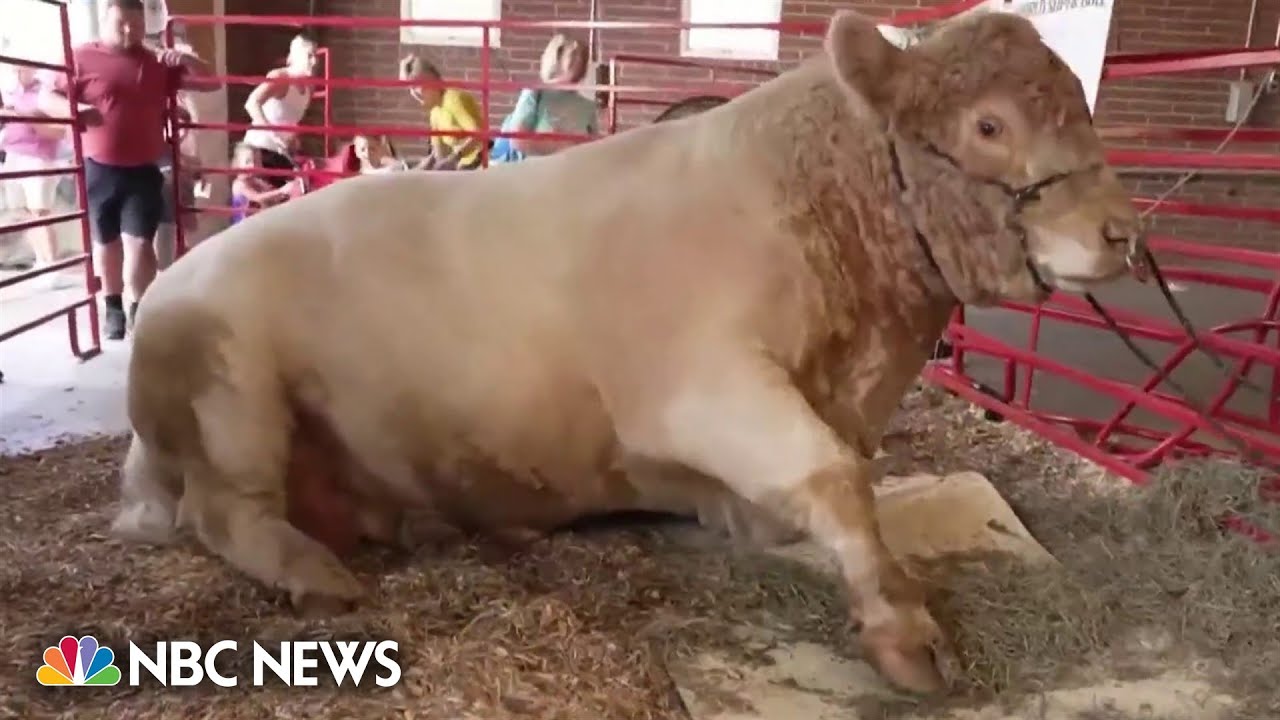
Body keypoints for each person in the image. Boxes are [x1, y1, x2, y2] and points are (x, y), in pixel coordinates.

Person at [40, 0, 220, 340]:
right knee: (106, 244)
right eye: (121, 24)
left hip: (143, 167)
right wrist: (75, 108)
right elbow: (45, 98)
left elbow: (212, 83)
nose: (128, 31)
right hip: (99, 168)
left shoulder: (156, 60)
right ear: (106, 21)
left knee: (141, 244)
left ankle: (140, 307)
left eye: (135, 25)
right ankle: (112, 308)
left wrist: (187, 59)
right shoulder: (81, 56)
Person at [0, 65, 71, 288]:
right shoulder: (10, 95)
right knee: (25, 212)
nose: (17, 74)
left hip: (38, 156)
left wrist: (27, 118)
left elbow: (59, 130)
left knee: (41, 212)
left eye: (21, 69)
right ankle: (41, 262)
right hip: (13, 155)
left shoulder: (44, 95)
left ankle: (52, 266)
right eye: (14, 70)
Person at [490, 33, 598, 164]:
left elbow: (594, 150)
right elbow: (517, 141)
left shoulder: (587, 107)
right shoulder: (535, 94)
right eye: (572, 58)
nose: (577, 62)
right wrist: (560, 146)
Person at [241, 34, 318, 189]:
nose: (314, 61)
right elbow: (252, 102)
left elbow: (288, 117)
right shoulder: (281, 78)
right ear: (295, 56)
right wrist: (273, 133)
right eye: (309, 56)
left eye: (315, 56)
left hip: (282, 153)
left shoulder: (310, 88)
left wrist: (292, 138)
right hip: (260, 149)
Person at [398, 53, 485, 170]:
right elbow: (439, 153)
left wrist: (455, 157)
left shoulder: (454, 99)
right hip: (463, 168)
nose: (413, 94)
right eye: (410, 89)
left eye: (415, 87)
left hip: (481, 163)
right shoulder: (435, 112)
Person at [229, 143, 296, 225]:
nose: (253, 165)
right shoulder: (239, 184)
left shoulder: (257, 181)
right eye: (248, 161)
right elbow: (256, 198)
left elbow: (270, 194)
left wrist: (285, 191)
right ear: (237, 164)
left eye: (257, 161)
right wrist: (281, 191)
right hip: (244, 227)